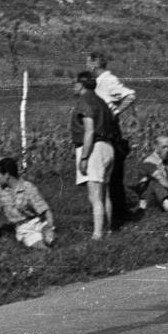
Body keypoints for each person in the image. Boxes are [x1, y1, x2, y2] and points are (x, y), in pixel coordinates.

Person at [87, 52, 136, 228]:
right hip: (101, 130)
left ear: (94, 65)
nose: (87, 68)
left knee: (112, 174)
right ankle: (109, 215)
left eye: (89, 64)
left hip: (110, 131)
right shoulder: (98, 82)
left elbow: (130, 95)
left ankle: (117, 214)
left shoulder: (108, 81)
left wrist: (115, 112)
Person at [71, 71, 120, 239]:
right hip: (108, 146)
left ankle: (97, 234)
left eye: (75, 83)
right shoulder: (101, 102)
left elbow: (89, 130)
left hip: (94, 148)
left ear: (80, 84)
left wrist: (84, 157)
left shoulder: (84, 102)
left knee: (95, 195)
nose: (74, 86)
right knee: (105, 193)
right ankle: (108, 230)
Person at [0, 156, 55, 249]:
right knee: (41, 246)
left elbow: (46, 210)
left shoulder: (28, 187)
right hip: (23, 228)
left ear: (6, 175)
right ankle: (48, 246)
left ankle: (51, 239)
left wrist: (50, 227)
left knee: (48, 236)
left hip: (38, 221)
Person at [135, 136, 168, 216]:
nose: (167, 150)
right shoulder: (149, 161)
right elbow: (159, 178)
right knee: (156, 182)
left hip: (163, 194)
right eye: (164, 147)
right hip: (149, 199)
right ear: (156, 147)